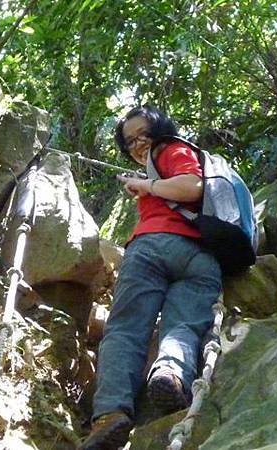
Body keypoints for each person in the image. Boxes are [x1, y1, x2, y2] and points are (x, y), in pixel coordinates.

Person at [79, 105, 222, 449]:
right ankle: (170, 375)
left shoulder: (172, 150)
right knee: (184, 325)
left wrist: (148, 185)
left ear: (161, 129)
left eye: (143, 133)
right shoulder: (157, 166)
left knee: (126, 327)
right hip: (202, 259)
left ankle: (111, 412)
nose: (138, 143)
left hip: (154, 247)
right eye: (129, 141)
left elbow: (192, 186)